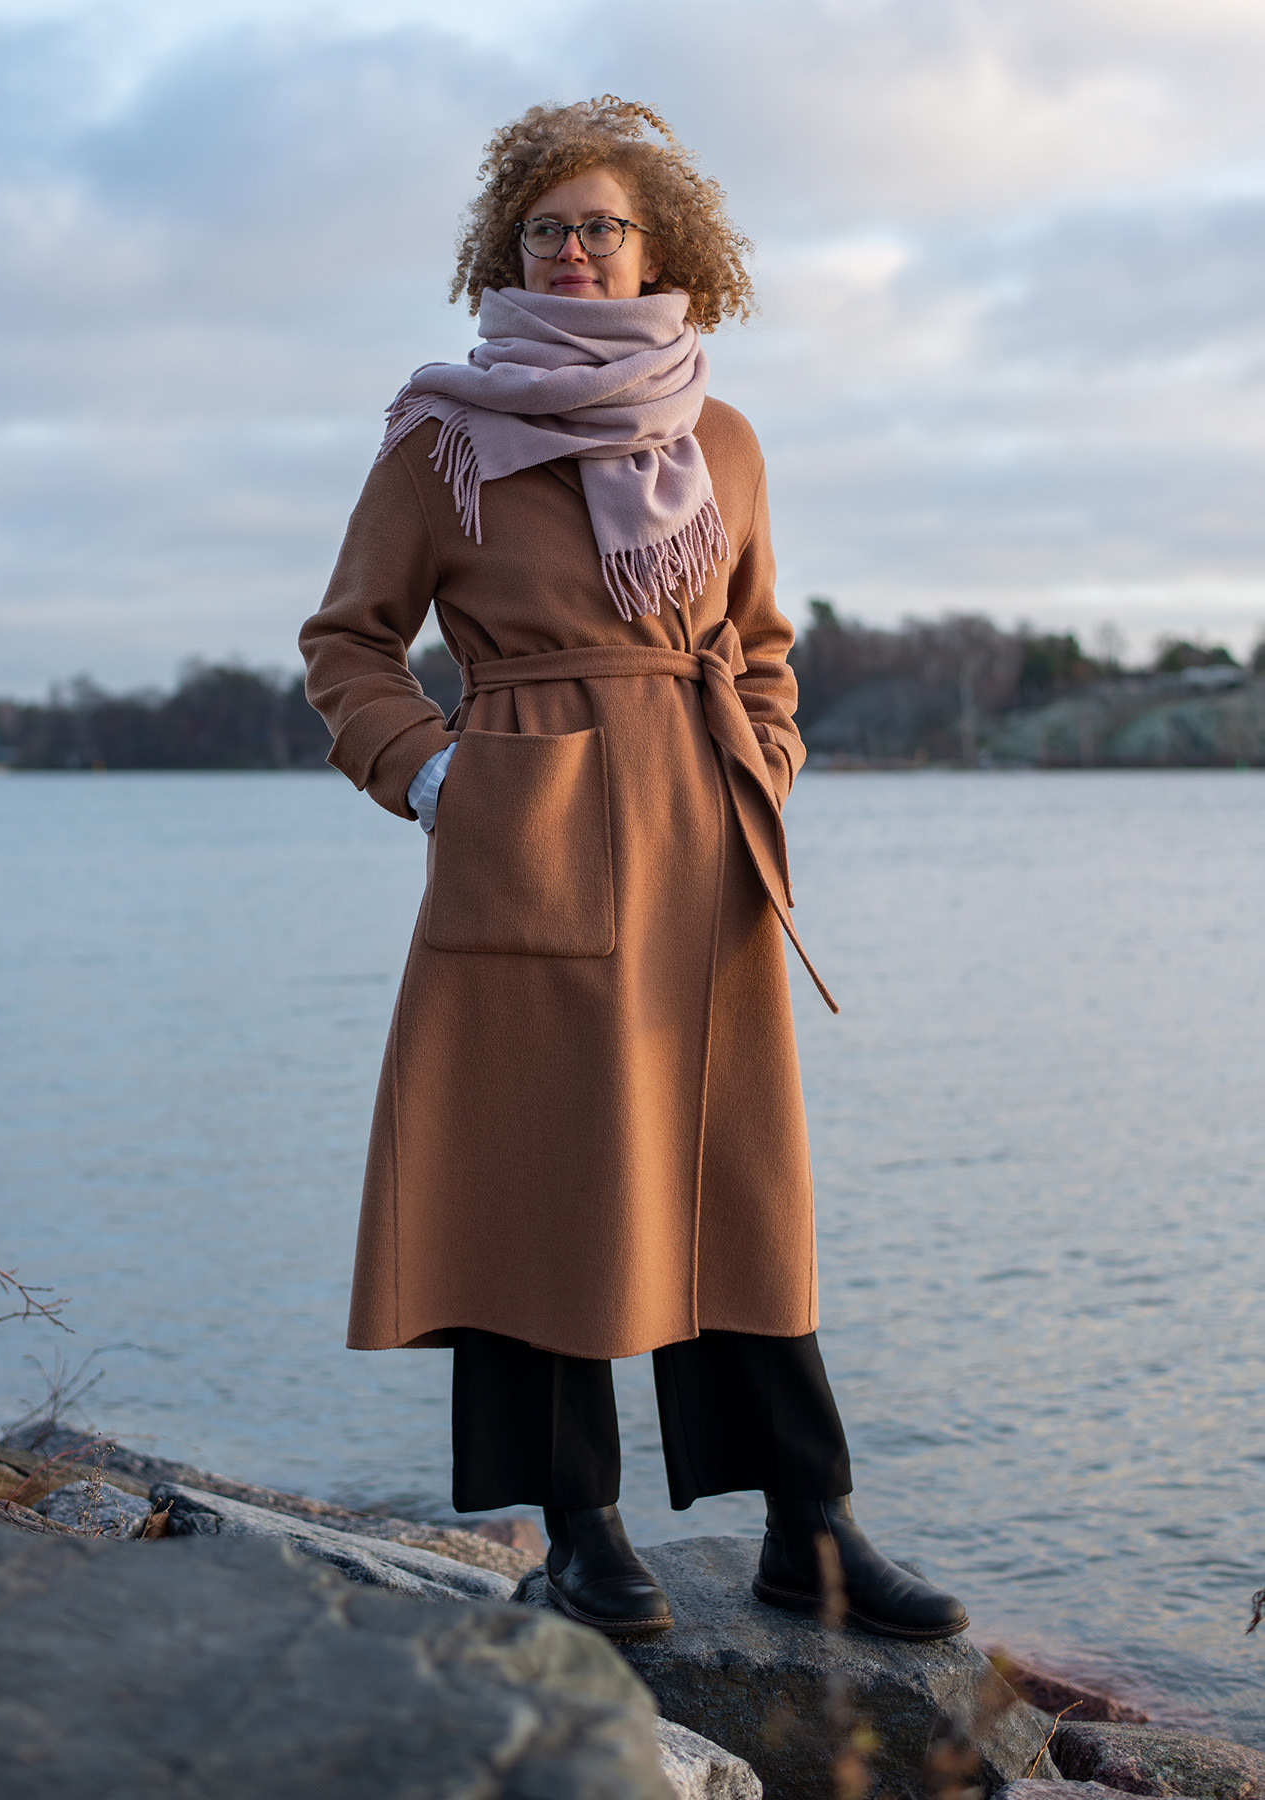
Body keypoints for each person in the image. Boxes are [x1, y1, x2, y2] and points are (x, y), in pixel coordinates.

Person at [300, 97, 967, 1642]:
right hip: (528, 837)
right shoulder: (441, 440)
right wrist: (440, 777)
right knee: (531, 1183)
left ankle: (809, 1531)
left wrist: (765, 759)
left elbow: (760, 642)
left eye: (600, 226)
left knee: (737, 1190)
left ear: (659, 248)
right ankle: (582, 1533)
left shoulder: (719, 436)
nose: (573, 250)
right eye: (545, 229)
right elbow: (346, 645)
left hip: (703, 843)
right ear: (508, 249)